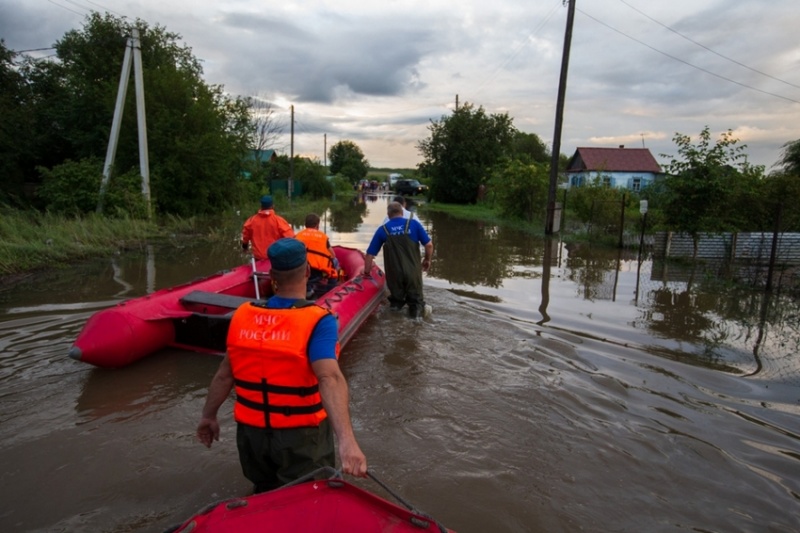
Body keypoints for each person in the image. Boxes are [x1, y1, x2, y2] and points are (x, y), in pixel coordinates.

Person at [196, 238, 367, 492]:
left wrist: (208, 416)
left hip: (252, 437)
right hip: (300, 440)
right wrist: (347, 441)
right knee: (308, 500)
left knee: (264, 495)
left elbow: (224, 376)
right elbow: (329, 378)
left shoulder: (243, 315)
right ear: (307, 271)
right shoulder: (319, 321)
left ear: (272, 275)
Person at [364, 202, 433, 318]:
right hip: (413, 273)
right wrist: (427, 259)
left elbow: (369, 254)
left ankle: (395, 321)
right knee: (416, 305)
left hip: (394, 275)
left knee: (396, 304)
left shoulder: (383, 229)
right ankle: (415, 321)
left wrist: (366, 272)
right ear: (402, 212)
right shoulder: (414, 224)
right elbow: (429, 245)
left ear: (388, 214)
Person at [295, 213, 339, 298]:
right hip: (318, 270)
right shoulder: (323, 237)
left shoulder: (298, 236)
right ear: (317, 225)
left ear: (305, 224)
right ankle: (330, 292)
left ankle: (307, 289)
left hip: (302, 269)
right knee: (335, 262)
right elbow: (333, 255)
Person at [241, 195, 294, 260]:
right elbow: (290, 238)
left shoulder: (251, 221)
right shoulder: (279, 221)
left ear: (261, 206)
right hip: (275, 257)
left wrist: (245, 247)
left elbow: (245, 236)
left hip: (258, 258)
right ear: (272, 206)